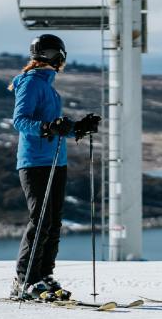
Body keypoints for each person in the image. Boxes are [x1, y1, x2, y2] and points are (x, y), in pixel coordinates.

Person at [8, 34, 100, 300]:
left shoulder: (47, 86)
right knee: (41, 220)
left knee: (53, 221)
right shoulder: (31, 83)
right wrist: (47, 127)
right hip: (35, 162)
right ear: (56, 56)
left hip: (55, 161)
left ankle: (44, 275)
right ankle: (25, 279)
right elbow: (20, 121)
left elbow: (54, 127)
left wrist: (78, 128)